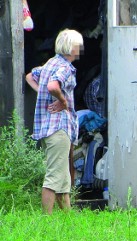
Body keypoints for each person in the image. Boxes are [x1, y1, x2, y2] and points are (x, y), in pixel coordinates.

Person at [25, 29, 83, 214]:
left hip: (48, 128)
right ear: (70, 47)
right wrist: (63, 101)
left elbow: (30, 76)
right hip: (58, 127)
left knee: (63, 179)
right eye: (78, 45)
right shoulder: (65, 67)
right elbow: (52, 86)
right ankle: (45, 221)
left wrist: (43, 92)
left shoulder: (51, 63)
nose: (80, 48)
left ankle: (68, 219)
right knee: (53, 178)